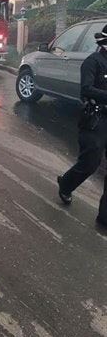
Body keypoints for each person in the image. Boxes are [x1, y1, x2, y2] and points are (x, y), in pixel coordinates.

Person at [57, 25, 107, 227]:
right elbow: (86, 89)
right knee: (90, 163)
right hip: (96, 119)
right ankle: (66, 184)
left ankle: (104, 218)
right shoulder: (93, 62)